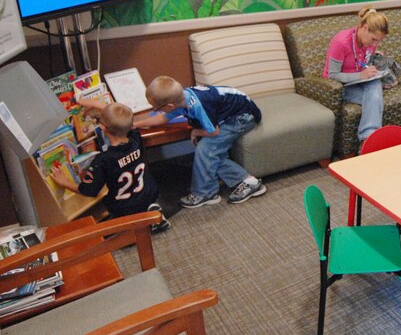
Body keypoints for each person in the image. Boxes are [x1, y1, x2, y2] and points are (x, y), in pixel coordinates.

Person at [135, 76, 265, 208]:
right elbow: (162, 118)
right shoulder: (181, 99)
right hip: (230, 114)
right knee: (211, 156)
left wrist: (196, 132)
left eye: (156, 107)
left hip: (243, 116)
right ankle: (249, 182)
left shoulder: (197, 105)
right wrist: (137, 124)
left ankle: (205, 193)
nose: (155, 110)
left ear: (170, 106)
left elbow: (214, 132)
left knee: (205, 149)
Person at [50, 101, 170, 233]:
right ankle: (149, 213)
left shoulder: (104, 159)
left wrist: (65, 182)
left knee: (111, 233)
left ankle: (133, 228)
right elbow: (126, 122)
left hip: (124, 207)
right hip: (148, 194)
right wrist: (101, 108)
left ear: (102, 128)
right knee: (141, 200)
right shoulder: (136, 137)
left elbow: (89, 191)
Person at [323, 6, 389, 144]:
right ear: (364, 28)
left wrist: (374, 63)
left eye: (379, 41)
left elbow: (362, 62)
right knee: (375, 99)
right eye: (374, 39)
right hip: (341, 86)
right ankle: (369, 139)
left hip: (361, 82)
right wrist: (361, 76)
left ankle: (368, 140)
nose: (375, 43)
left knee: (375, 85)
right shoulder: (341, 42)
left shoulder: (370, 43)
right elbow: (332, 75)